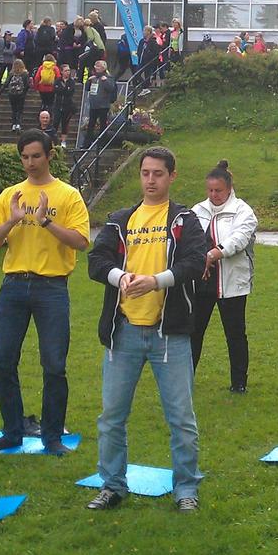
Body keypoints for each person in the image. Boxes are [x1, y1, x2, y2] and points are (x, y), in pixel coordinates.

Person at [86, 146, 209, 513]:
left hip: (168, 335)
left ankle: (186, 488)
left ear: (172, 176)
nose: (151, 180)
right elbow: (96, 261)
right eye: (145, 173)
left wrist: (156, 281)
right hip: (122, 333)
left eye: (158, 173)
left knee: (181, 419)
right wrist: (120, 277)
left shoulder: (185, 220)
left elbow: (195, 261)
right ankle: (111, 485)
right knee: (111, 417)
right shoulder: (120, 219)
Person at [0, 129, 90, 454]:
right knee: (2, 361)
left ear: (49, 155)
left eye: (36, 156)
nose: (30, 163)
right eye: (25, 157)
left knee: (54, 364)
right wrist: (12, 221)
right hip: (13, 286)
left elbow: (82, 242)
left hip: (51, 287)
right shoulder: (10, 196)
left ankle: (52, 437)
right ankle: (12, 431)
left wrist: (45, 223)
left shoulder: (68, 195)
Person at [190, 160, 257, 392]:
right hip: (201, 283)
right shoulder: (197, 211)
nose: (213, 195)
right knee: (193, 332)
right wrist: (199, 259)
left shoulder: (243, 211)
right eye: (210, 190)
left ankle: (239, 384)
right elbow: (188, 240)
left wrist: (214, 253)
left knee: (235, 334)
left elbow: (239, 239)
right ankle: (185, 380)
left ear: (229, 188)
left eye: (218, 190)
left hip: (232, 284)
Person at [81, 60, 116, 145]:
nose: (96, 68)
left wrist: (105, 81)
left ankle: (102, 143)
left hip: (103, 105)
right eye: (95, 66)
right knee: (90, 125)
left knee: (102, 124)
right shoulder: (94, 77)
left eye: (98, 66)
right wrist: (88, 81)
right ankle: (87, 143)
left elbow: (111, 88)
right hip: (93, 105)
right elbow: (87, 88)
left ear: (103, 68)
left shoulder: (108, 77)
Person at [3, 60, 30, 132]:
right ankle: (18, 124)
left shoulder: (11, 73)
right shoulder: (25, 73)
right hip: (21, 94)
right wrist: (24, 92)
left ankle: (13, 124)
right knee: (20, 110)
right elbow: (27, 85)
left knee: (14, 109)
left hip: (11, 94)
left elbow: (6, 83)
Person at [53, 65, 77, 148]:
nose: (68, 72)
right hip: (58, 105)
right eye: (66, 70)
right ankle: (54, 140)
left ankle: (63, 141)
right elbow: (56, 90)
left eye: (69, 70)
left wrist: (64, 90)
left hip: (67, 106)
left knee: (65, 124)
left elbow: (70, 92)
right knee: (55, 122)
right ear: (62, 72)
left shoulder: (71, 82)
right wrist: (64, 89)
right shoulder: (57, 80)